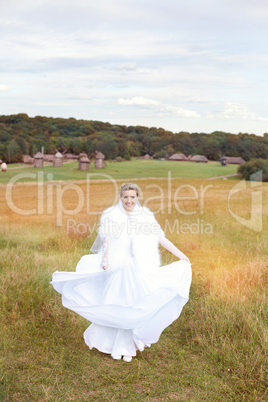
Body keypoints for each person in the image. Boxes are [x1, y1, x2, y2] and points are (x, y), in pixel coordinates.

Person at [51, 183, 191, 362]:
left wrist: (182, 255)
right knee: (115, 302)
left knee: (132, 303)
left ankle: (127, 346)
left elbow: (162, 239)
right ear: (121, 198)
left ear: (137, 198)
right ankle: (112, 346)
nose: (129, 200)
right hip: (117, 268)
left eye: (132, 197)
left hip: (138, 268)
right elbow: (107, 241)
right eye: (126, 197)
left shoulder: (146, 217)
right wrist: (105, 259)